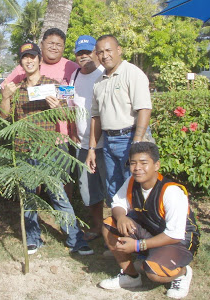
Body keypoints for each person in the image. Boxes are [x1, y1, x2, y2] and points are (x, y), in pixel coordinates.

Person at [0, 42, 93, 256]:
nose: (29, 60)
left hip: (47, 151)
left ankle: (76, 240)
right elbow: (4, 117)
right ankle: (33, 239)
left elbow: (65, 116)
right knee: (29, 197)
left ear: (39, 60)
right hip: (23, 149)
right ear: (21, 62)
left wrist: (57, 106)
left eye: (32, 56)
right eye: (25, 57)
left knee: (58, 196)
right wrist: (6, 97)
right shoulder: (16, 88)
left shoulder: (53, 85)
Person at [99, 142, 200, 299]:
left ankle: (182, 272)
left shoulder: (171, 191)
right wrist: (122, 217)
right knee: (109, 224)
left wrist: (138, 245)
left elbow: (174, 234)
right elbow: (117, 203)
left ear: (156, 165)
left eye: (144, 163)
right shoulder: (132, 182)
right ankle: (130, 276)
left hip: (179, 240)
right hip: (151, 232)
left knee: (153, 273)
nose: (137, 167)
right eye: (133, 163)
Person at [2, 28, 79, 203]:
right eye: (50, 43)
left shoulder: (71, 67)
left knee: (63, 179)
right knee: (32, 182)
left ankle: (64, 217)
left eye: (59, 45)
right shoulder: (25, 66)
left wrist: (72, 128)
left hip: (61, 137)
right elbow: (6, 89)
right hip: (31, 138)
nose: (54, 47)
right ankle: (36, 212)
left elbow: (72, 100)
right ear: (42, 45)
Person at [86, 34, 152, 200]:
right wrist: (92, 149)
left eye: (108, 50)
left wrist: (136, 144)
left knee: (136, 189)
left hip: (130, 138)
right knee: (114, 189)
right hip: (109, 141)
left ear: (119, 50)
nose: (105, 55)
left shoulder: (132, 74)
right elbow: (96, 117)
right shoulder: (99, 82)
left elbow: (144, 109)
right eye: (100, 52)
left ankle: (139, 225)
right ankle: (119, 223)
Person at [69, 35, 110, 239]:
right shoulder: (74, 76)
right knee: (89, 191)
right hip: (83, 146)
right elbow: (69, 108)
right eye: (80, 53)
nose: (84, 56)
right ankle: (97, 227)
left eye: (88, 52)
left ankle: (116, 230)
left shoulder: (105, 74)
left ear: (96, 53)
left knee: (111, 189)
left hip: (106, 144)